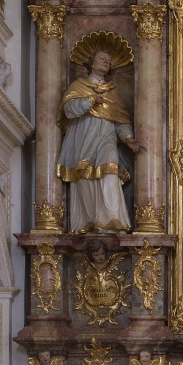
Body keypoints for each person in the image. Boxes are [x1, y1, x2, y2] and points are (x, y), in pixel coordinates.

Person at [56, 45, 142, 232]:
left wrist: (128, 139)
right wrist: (90, 100)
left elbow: (120, 118)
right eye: (102, 59)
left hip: (106, 136)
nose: (106, 62)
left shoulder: (112, 91)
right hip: (83, 137)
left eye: (108, 61)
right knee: (85, 176)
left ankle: (112, 218)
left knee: (110, 169)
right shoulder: (79, 86)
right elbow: (69, 111)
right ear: (91, 63)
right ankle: (91, 221)